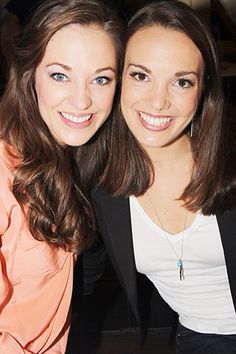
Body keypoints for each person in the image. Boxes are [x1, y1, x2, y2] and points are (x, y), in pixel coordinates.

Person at [88, 1, 236, 353]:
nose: (158, 102)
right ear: (116, 78)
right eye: (141, 75)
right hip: (195, 338)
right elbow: (80, 276)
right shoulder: (98, 180)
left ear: (203, 91)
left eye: (182, 82)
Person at [0, 0, 124, 352]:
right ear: (29, 74)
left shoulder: (64, 157)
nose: (82, 100)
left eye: (100, 79)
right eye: (60, 75)